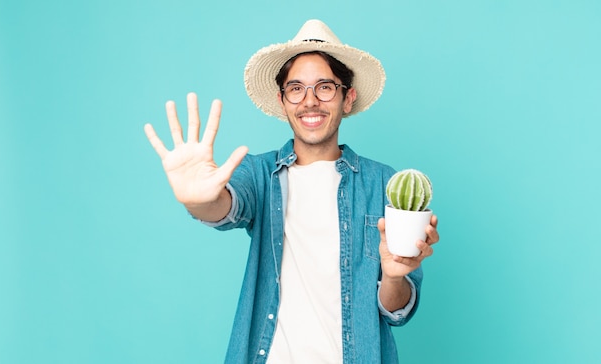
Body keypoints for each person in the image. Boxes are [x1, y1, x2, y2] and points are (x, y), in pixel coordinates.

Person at [144, 19, 440, 364]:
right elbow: (224, 207)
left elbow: (396, 312)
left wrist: (392, 275)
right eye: (296, 88)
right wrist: (198, 199)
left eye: (325, 87)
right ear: (283, 100)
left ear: (348, 97)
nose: (310, 101)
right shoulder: (259, 174)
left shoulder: (383, 184)